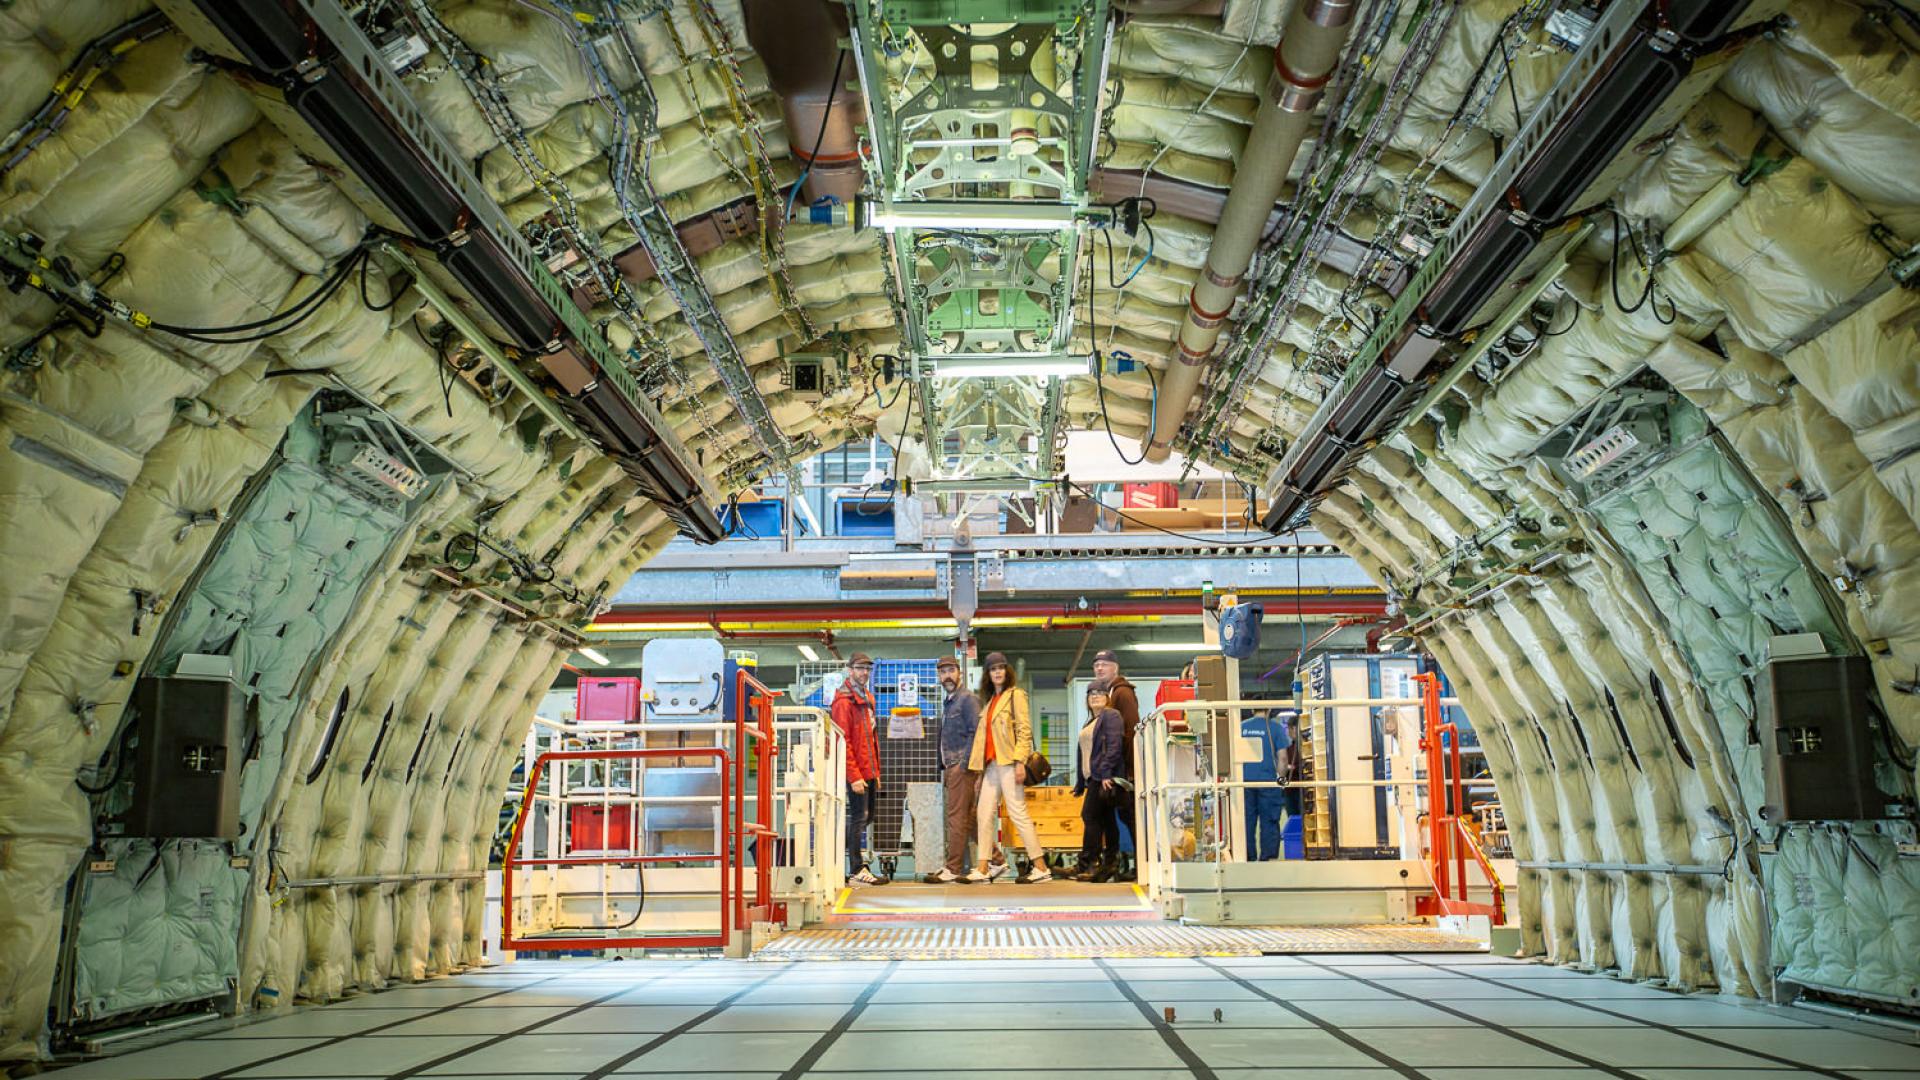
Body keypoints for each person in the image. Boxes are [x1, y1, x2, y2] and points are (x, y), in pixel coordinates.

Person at [967, 652, 1052, 883]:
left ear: (1007, 671)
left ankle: (1040, 866)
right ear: (987, 674)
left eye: (1001, 668)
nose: (997, 672)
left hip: (1009, 762)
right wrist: (979, 770)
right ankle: (983, 867)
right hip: (991, 766)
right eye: (993, 669)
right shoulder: (989, 703)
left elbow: (1024, 730)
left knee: (1018, 813)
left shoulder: (1016, 695)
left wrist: (1020, 762)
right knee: (984, 814)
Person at [923, 656, 1007, 884]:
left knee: (957, 818)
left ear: (959, 673)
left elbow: (977, 732)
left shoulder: (967, 699)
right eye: (943, 672)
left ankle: (953, 868)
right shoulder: (950, 701)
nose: (947, 676)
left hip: (961, 766)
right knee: (969, 819)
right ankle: (998, 862)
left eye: (951, 670)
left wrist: (965, 764)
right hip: (955, 765)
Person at [833, 652, 886, 885]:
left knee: (867, 816)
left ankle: (850, 861)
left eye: (867, 668)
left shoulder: (866, 698)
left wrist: (876, 773)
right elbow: (843, 741)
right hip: (856, 772)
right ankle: (856, 868)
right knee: (858, 817)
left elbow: (871, 740)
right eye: (860, 668)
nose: (864, 672)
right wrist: (853, 776)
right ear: (850, 670)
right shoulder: (844, 701)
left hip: (869, 770)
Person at [1090, 649, 1141, 880]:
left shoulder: (1123, 693)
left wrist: (1130, 770)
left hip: (1125, 769)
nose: (1100, 668)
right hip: (1117, 769)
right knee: (1119, 816)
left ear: (1115, 668)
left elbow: (1130, 732)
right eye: (1097, 665)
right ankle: (1116, 863)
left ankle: (1142, 865)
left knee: (1130, 817)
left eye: (1105, 664)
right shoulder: (1112, 693)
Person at [1070, 679, 1125, 882]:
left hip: (1102, 777)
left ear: (1107, 697)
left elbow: (1114, 745)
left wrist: (1106, 773)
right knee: (1106, 820)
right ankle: (1109, 863)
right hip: (1093, 778)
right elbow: (1083, 753)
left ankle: (1089, 863)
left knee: (1090, 816)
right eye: (1091, 693)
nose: (1095, 695)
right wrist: (1079, 782)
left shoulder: (1110, 715)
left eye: (1100, 692)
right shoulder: (1091, 721)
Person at [1241, 708, 1298, 861]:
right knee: (1270, 822)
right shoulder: (1275, 728)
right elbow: (1283, 758)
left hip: (1244, 783)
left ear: (1253, 709)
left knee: (1246, 822)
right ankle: (1268, 859)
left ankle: (1247, 858)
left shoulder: (1241, 727)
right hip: (1268, 783)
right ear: (1269, 709)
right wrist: (1281, 779)